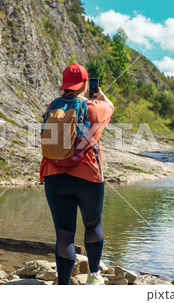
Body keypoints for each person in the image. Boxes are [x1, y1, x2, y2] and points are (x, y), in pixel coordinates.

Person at [40, 64, 114, 285]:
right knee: (92, 225)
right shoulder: (94, 107)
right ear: (84, 84)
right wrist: (102, 96)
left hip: (54, 175)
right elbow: (110, 108)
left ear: (64, 85)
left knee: (64, 234)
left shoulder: (51, 106)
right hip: (87, 177)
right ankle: (94, 276)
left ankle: (63, 286)